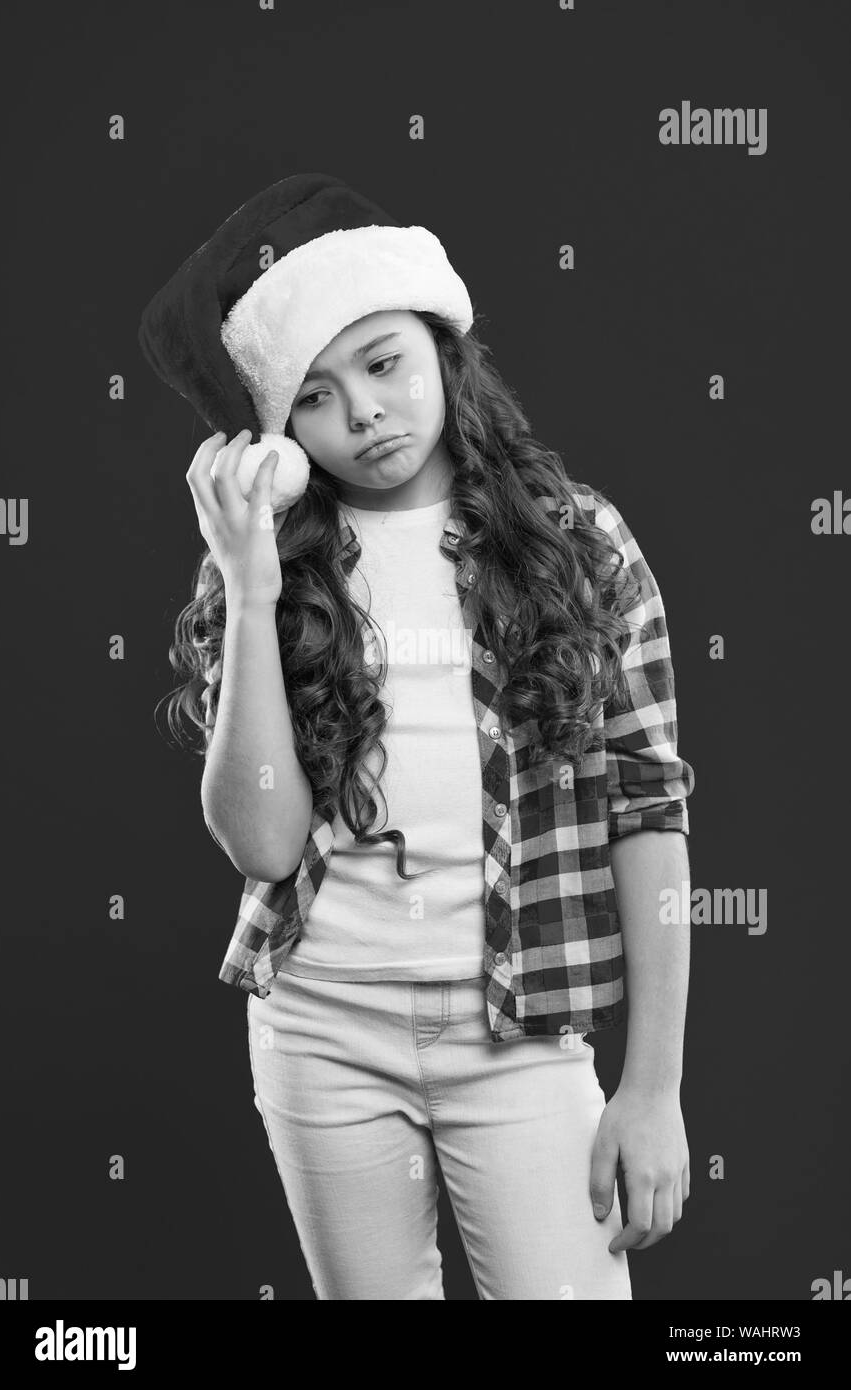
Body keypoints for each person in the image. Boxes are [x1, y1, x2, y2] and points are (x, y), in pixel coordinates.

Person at [139, 173, 695, 1300]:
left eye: (383, 363)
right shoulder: (269, 571)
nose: (363, 415)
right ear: (274, 430)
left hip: (522, 1031)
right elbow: (260, 842)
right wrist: (247, 585)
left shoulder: (580, 544)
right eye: (313, 397)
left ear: (442, 343)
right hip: (321, 1029)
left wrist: (650, 1089)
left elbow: (648, 812)